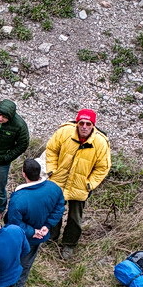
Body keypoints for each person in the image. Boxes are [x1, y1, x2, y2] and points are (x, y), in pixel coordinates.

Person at [45, 108, 111, 260]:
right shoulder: (64, 132)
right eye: (81, 123)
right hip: (59, 181)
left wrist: (89, 184)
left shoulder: (100, 142)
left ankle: (69, 244)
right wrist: (52, 171)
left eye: (88, 123)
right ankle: (50, 237)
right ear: (77, 122)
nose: (84, 126)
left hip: (80, 187)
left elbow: (103, 167)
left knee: (75, 217)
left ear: (93, 125)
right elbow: (51, 150)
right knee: (55, 211)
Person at [5, 159, 65, 287]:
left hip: (20, 236)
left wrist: (33, 231)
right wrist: (47, 226)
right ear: (39, 172)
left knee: (7, 254)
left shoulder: (19, 198)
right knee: (27, 260)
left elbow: (15, 223)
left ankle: (1, 276)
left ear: (23, 174)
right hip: (38, 236)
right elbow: (59, 207)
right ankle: (19, 284)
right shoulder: (54, 188)